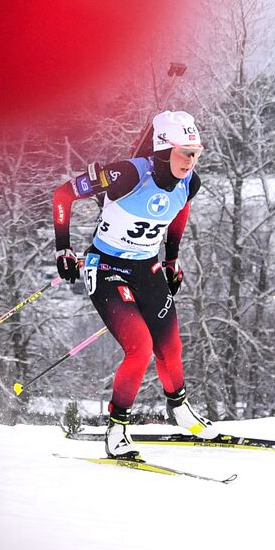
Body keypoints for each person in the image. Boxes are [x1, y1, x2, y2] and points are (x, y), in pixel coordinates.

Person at [51, 110, 218, 458]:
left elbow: (179, 212)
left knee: (170, 346)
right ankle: (118, 429)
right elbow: (63, 195)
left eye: (196, 152)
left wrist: (172, 260)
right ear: (162, 150)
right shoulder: (126, 175)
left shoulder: (191, 182)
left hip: (147, 267)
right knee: (140, 347)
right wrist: (63, 249)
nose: (191, 160)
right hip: (107, 266)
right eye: (184, 152)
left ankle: (182, 411)